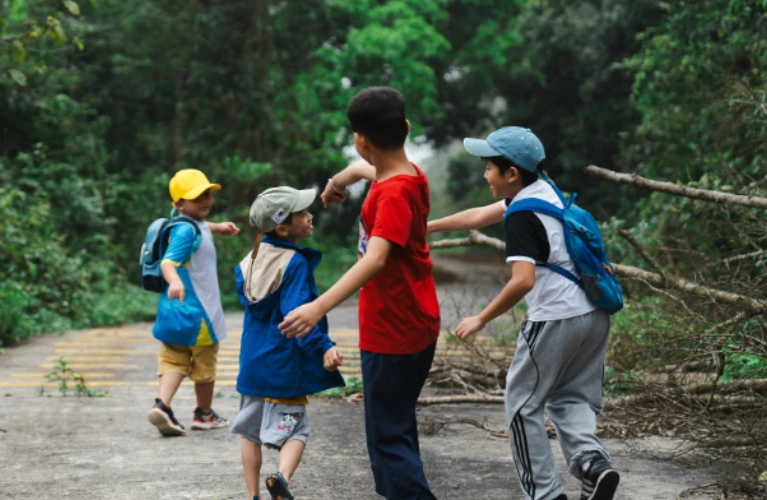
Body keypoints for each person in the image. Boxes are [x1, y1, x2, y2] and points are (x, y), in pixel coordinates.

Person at [428, 126, 619, 500]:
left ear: (511, 173)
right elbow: (480, 215)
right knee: (570, 399)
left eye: (488, 168)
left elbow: (522, 281)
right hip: (593, 315)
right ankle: (593, 465)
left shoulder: (521, 216)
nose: (484, 175)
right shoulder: (546, 193)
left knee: (522, 406)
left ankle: (546, 495)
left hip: (554, 319)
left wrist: (481, 318)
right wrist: (428, 228)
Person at [279, 87, 440, 499]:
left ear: (360, 140)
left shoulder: (392, 193)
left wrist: (318, 306)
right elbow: (370, 172)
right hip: (413, 320)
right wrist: (340, 179)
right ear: (404, 128)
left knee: (387, 437)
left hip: (394, 328)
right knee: (395, 430)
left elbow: (376, 259)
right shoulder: (410, 176)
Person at [231, 186, 345, 500]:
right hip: (284, 367)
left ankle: (253, 495)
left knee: (250, 432)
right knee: (298, 430)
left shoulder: (247, 263)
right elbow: (297, 317)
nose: (310, 216)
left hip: (253, 366)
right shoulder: (295, 263)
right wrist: (324, 346)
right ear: (282, 227)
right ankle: (281, 477)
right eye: (303, 213)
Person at [146, 169, 240, 437]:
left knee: (174, 360)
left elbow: (197, 227)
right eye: (196, 196)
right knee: (204, 367)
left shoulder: (182, 223)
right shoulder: (186, 232)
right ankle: (204, 414)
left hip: (172, 313)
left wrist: (218, 227)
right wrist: (175, 280)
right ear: (178, 203)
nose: (205, 199)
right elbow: (168, 261)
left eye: (207, 193)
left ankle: (162, 406)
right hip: (199, 314)